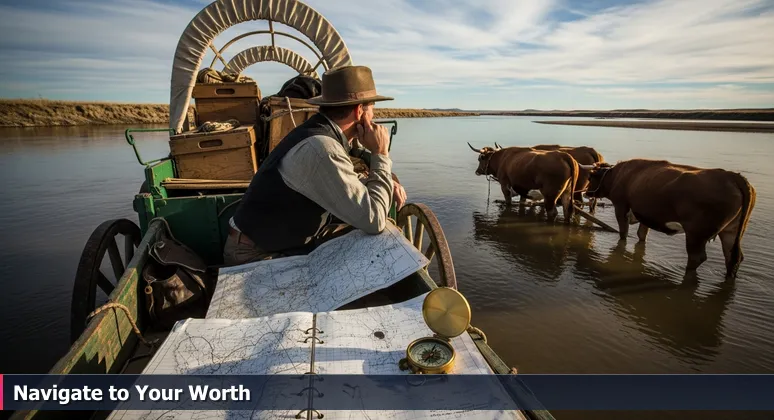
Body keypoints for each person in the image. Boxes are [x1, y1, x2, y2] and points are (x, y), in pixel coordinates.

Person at [223, 65, 408, 266]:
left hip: (275, 243)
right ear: (358, 112)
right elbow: (375, 221)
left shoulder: (321, 134)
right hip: (254, 254)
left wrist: (381, 179)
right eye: (372, 110)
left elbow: (341, 183)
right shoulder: (322, 148)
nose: (373, 118)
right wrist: (380, 154)